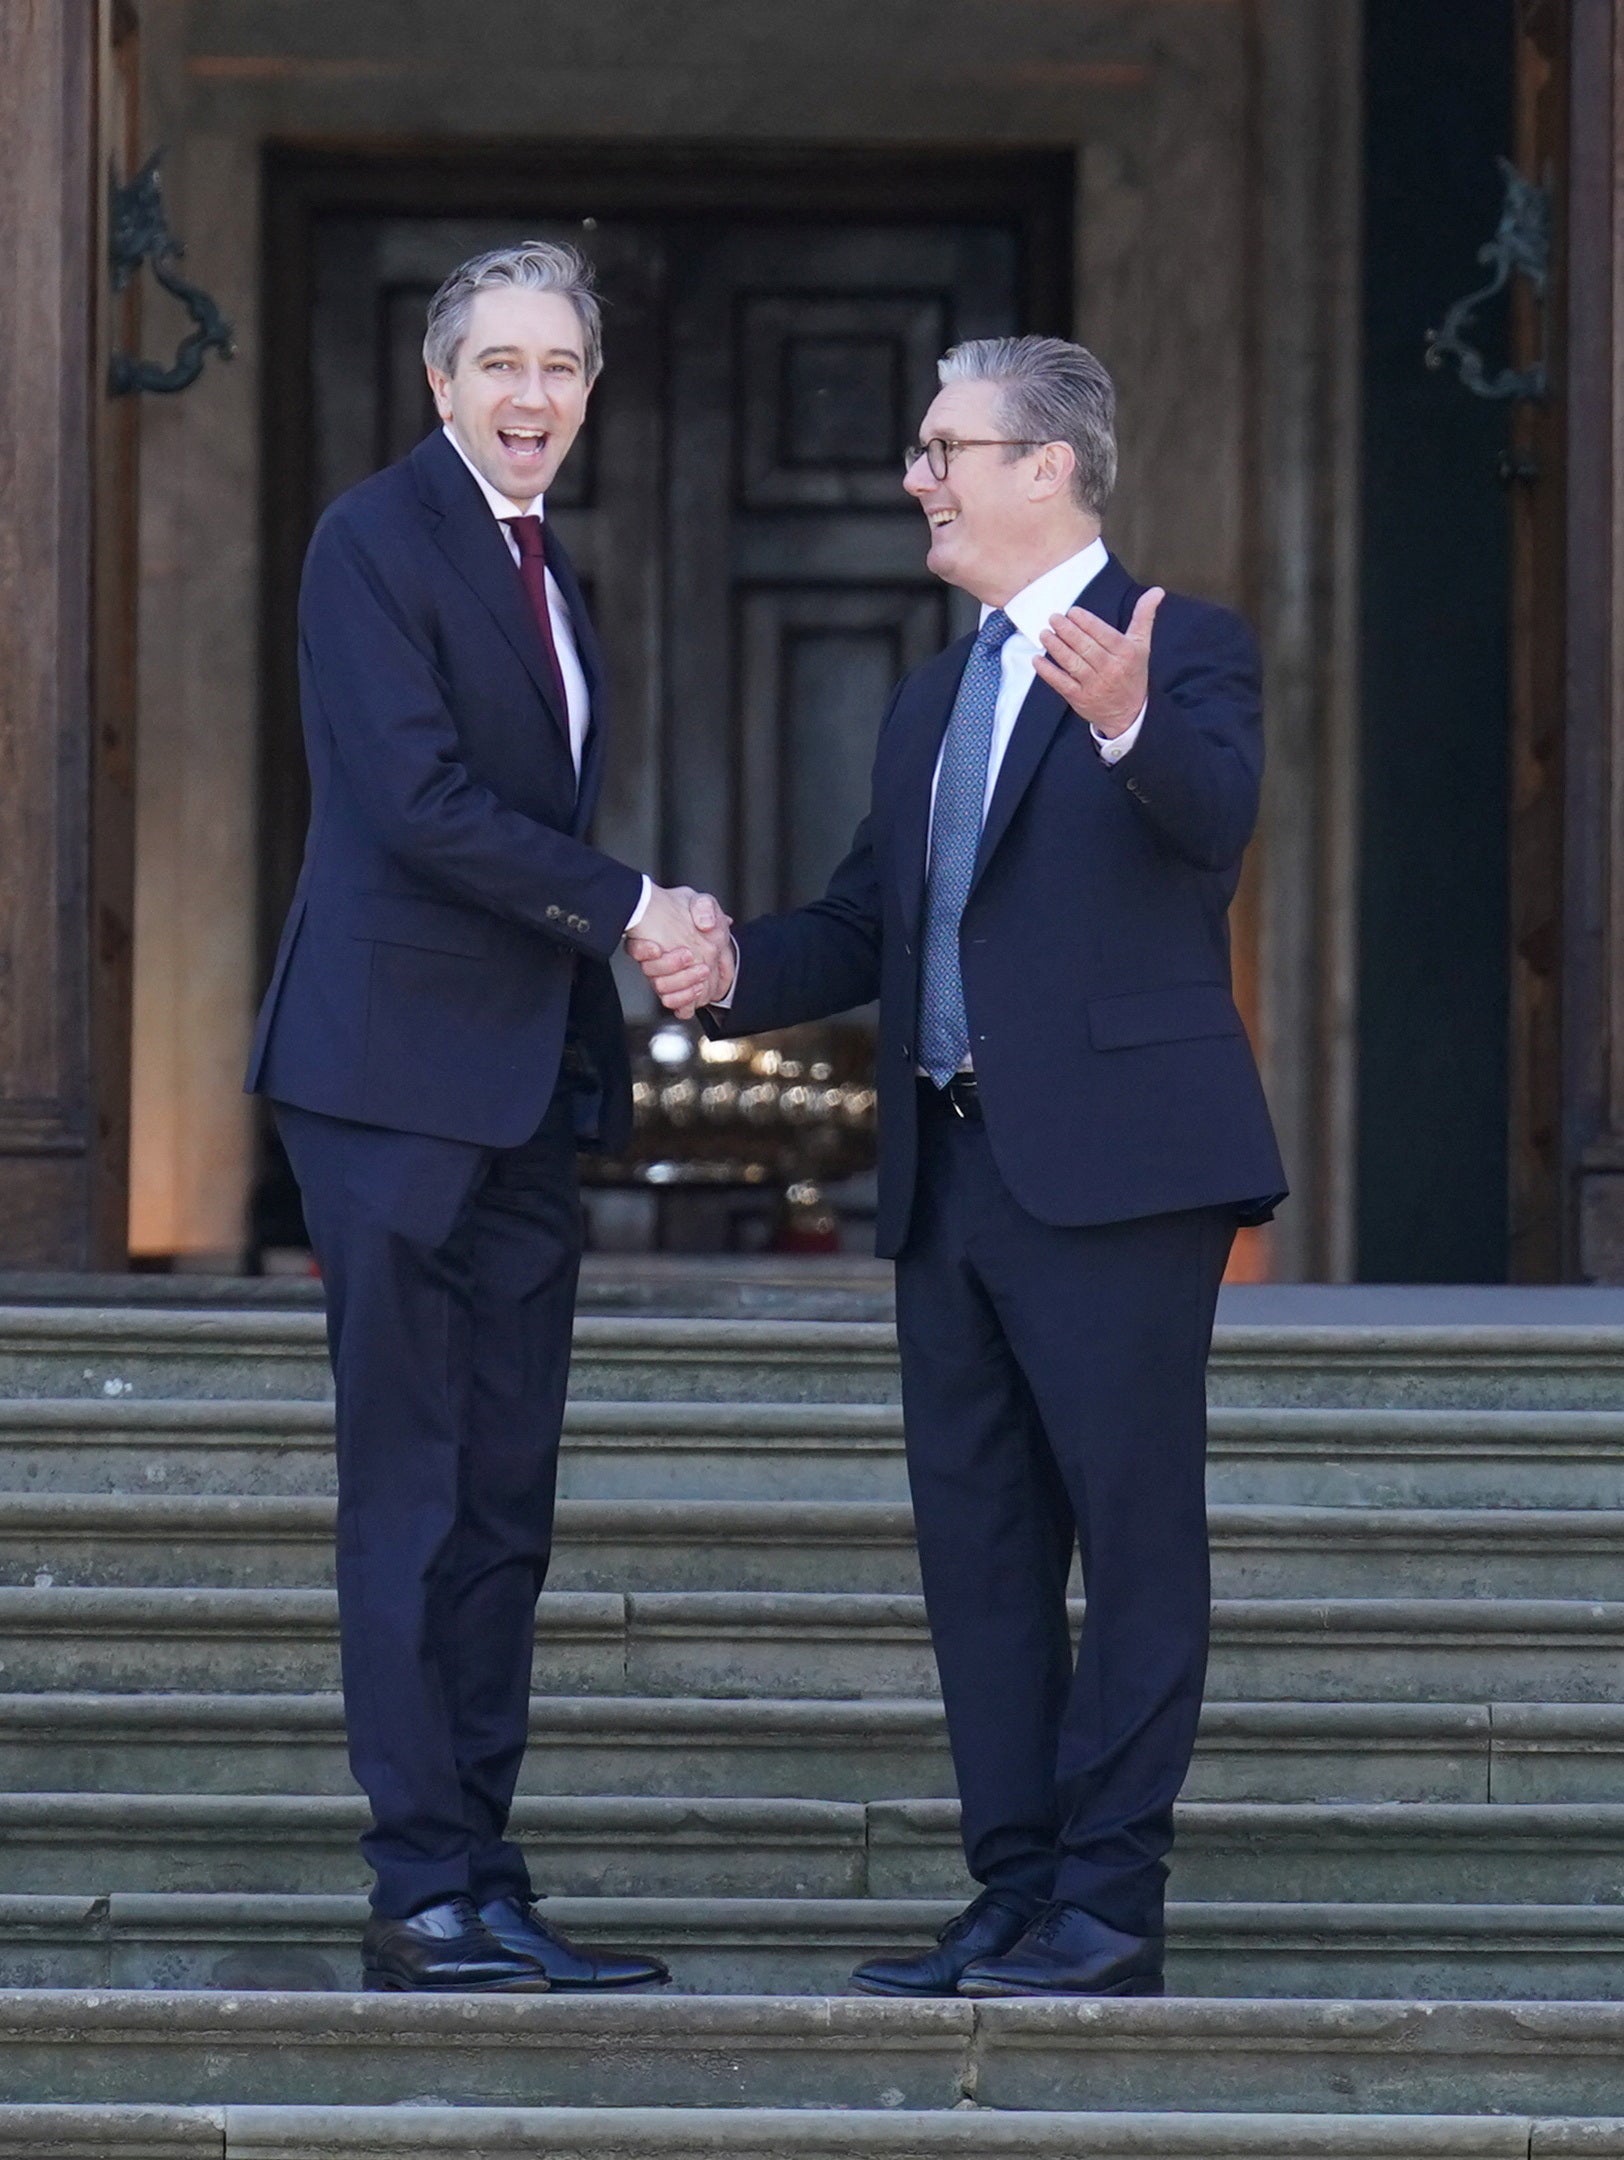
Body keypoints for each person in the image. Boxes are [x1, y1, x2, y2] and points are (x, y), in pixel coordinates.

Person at [633, 335, 1286, 1999]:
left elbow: (1213, 821)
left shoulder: (1179, 644)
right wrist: (728, 968)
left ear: (1047, 466)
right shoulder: (934, 693)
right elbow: (872, 918)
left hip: (1124, 1180)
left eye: (945, 449)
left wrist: (1131, 722)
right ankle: (1011, 1890)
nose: (918, 476)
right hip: (953, 1179)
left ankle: (1108, 1903)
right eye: (925, 449)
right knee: (981, 1554)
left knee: (1133, 1540)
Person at [247, 241, 723, 1993]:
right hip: (386, 1082)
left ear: (591, 393)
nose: (534, 398)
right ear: (437, 383)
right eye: (501, 365)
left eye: (564, 369)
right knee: (416, 1489)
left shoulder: (542, 562)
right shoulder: (375, 539)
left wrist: (621, 934)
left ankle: (485, 1869)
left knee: (506, 1500)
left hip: (519, 1090)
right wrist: (639, 908)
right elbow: (423, 805)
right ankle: (418, 1889)